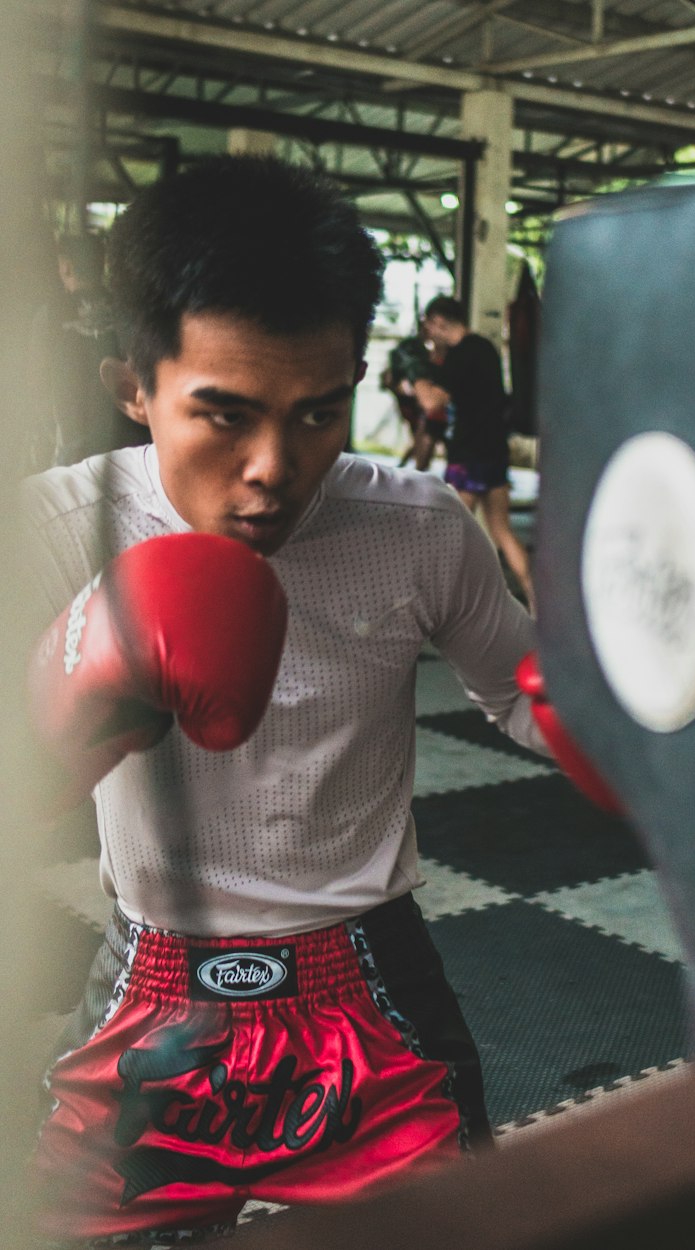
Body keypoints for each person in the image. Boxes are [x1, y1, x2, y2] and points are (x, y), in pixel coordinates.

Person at [18, 155, 580, 1247]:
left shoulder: (417, 530)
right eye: (222, 415)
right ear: (133, 385)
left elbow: (520, 694)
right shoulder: (55, 527)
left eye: (319, 413)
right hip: (150, 992)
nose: (275, 466)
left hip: (368, 985)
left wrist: (642, 719)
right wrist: (66, 687)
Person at [415, 296, 536, 614]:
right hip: (494, 451)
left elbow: (431, 404)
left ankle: (438, 607)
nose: (431, 334)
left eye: (431, 326)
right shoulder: (486, 348)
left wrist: (415, 376)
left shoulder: (460, 355)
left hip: (468, 457)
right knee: (502, 530)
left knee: (448, 529)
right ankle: (537, 604)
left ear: (440, 322)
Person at [24, 231, 150, 472]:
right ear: (100, 263)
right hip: (128, 441)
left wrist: (44, 435)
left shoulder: (49, 314)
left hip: (72, 438)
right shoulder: (130, 311)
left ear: (67, 266)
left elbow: (36, 380)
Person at [379, 334, 448, 470]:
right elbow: (388, 383)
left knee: (424, 443)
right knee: (420, 443)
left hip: (430, 415)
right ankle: (406, 468)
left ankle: (407, 468)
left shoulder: (425, 373)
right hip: (416, 413)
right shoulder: (397, 373)